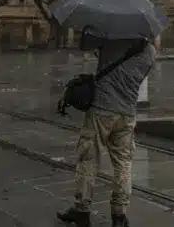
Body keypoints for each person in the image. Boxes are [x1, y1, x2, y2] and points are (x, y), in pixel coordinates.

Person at [57, 33, 157, 227]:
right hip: (127, 113)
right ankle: (119, 216)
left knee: (88, 158)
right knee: (123, 163)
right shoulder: (150, 51)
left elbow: (85, 44)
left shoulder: (110, 38)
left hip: (101, 110)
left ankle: (82, 210)